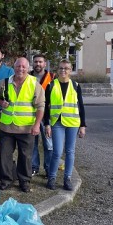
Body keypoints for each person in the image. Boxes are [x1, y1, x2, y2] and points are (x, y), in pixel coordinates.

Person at [0, 57, 45, 193]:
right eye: (18, 66)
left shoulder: (34, 84)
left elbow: (41, 106)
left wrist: (36, 125)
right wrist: (0, 103)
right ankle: (5, 180)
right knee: (4, 155)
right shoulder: (4, 82)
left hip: (26, 128)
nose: (20, 69)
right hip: (6, 127)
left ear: (28, 68)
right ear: (14, 67)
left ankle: (24, 181)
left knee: (26, 157)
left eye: (23, 67)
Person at [44, 59, 86, 190]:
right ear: (57, 70)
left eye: (66, 68)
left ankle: (67, 179)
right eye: (61, 68)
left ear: (70, 70)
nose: (63, 71)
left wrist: (83, 125)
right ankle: (52, 178)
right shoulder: (51, 85)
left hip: (73, 122)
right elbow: (46, 107)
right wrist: (47, 124)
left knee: (70, 151)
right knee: (57, 151)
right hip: (57, 122)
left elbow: (81, 106)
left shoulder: (75, 85)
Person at [30, 54, 55, 176]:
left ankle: (49, 168)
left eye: (40, 62)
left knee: (49, 144)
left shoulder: (52, 78)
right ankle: (34, 167)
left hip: (47, 117)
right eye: (36, 62)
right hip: (31, 115)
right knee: (32, 143)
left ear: (45, 63)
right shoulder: (27, 76)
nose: (38, 64)